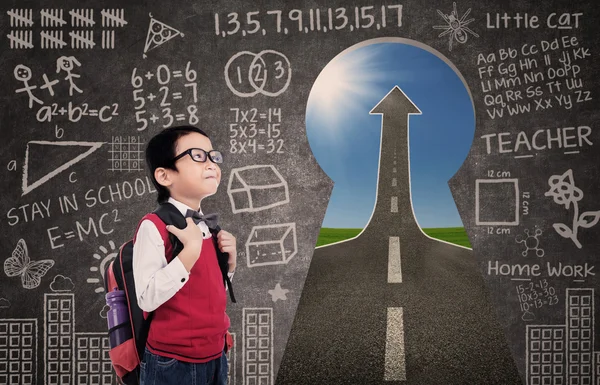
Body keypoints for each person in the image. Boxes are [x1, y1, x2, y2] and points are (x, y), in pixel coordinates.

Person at [133, 125, 236, 385]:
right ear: (165, 175)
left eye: (214, 156)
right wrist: (189, 252)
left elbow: (207, 290)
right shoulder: (154, 225)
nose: (211, 163)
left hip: (215, 353)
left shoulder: (209, 226)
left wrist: (230, 265)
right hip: (173, 361)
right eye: (198, 156)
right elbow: (146, 298)